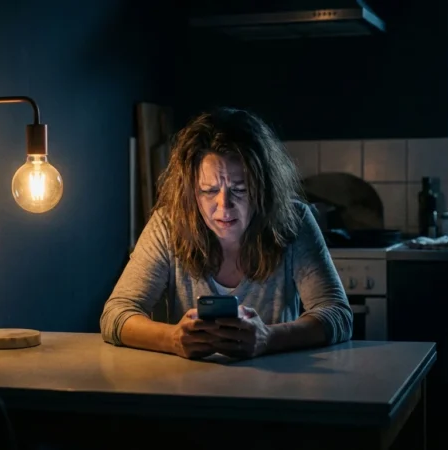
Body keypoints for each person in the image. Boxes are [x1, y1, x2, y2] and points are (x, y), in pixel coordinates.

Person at [100, 107, 352, 359]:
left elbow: (337, 314)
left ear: (263, 189)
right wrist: (172, 339)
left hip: (276, 386)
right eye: (209, 190)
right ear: (191, 190)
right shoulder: (168, 225)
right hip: (183, 386)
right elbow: (116, 314)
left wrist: (268, 338)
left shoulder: (293, 221)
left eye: (240, 190)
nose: (223, 206)